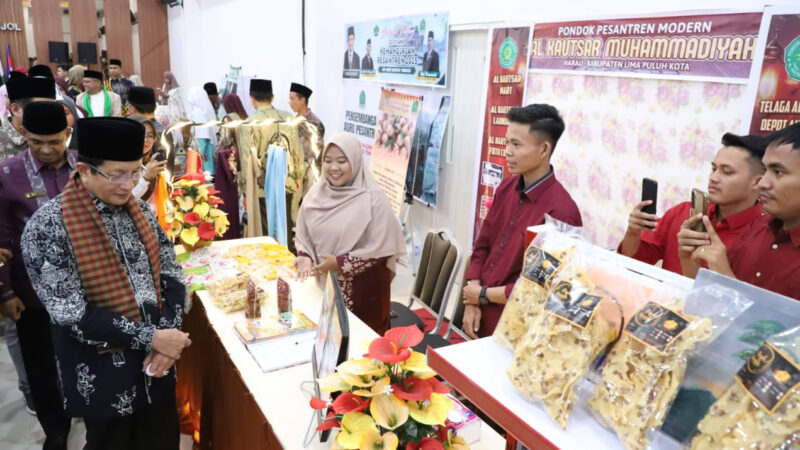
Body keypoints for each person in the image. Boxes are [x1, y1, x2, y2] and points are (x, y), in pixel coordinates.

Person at [21, 117, 190, 450]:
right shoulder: (48, 227)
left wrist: (167, 337)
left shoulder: (141, 212)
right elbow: (69, 313)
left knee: (162, 440)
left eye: (136, 172)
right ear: (85, 170)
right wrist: (154, 337)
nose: (129, 185)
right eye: (118, 174)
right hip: (104, 376)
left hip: (158, 367)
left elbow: (171, 272)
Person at [461, 104, 582, 338]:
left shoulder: (562, 212)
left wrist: (482, 295)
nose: (507, 151)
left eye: (516, 145)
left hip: (519, 327)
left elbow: (541, 287)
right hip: (480, 311)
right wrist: (473, 297)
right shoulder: (506, 187)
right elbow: (483, 244)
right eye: (507, 142)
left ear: (543, 149)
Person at [1, 102, 76, 449]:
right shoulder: (8, 173)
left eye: (54, 141)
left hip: (87, 289)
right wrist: (6, 293)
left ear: (67, 134)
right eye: (36, 142)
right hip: (32, 292)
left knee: (87, 358)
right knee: (41, 366)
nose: (45, 150)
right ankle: (56, 432)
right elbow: (2, 238)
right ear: (23, 135)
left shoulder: (85, 167)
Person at [294, 132, 405, 335]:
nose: (333, 168)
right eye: (327, 161)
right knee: (330, 342)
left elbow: (384, 249)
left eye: (341, 161)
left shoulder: (374, 200)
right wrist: (305, 255)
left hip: (364, 295)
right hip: (327, 289)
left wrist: (340, 263)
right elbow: (304, 231)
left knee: (361, 346)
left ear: (355, 161)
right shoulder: (316, 193)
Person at [678, 123, 800, 300]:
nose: (762, 183)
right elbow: (707, 302)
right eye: (766, 170)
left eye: (778, 172)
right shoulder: (759, 227)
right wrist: (689, 260)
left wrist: (727, 281)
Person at [619, 133, 766, 274]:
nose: (713, 178)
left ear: (757, 182)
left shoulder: (762, 238)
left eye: (726, 172)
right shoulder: (683, 212)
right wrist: (633, 232)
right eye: (714, 169)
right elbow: (633, 265)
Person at [2, 76, 57, 161]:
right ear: (15, 109)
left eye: (53, 108)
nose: (48, 114)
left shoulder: (58, 136)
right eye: (41, 109)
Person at [187, 86, 218, 175]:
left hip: (204, 161)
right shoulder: (206, 110)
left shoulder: (199, 112)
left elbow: (201, 140)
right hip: (210, 153)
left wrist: (195, 159)